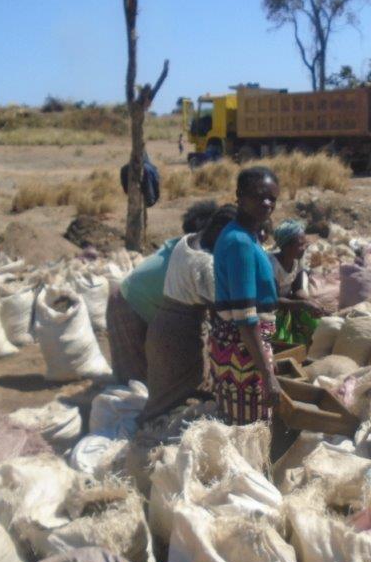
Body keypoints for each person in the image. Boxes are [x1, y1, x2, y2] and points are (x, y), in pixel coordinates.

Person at [140, 205, 236, 422]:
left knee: (164, 392)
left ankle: (152, 427)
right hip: (181, 335)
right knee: (175, 398)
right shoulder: (205, 264)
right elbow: (223, 311)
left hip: (162, 324)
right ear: (220, 230)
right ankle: (153, 435)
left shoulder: (188, 241)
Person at [105, 202, 218, 384]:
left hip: (148, 303)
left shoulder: (185, 246)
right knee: (134, 381)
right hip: (127, 304)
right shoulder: (193, 257)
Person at [209, 166, 281, 425]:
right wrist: (268, 376)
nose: (267, 203)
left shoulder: (244, 235)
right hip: (244, 353)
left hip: (239, 346)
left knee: (238, 427)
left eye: (272, 198)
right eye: (259, 196)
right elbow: (245, 318)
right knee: (249, 430)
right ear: (239, 195)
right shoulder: (240, 241)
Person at [269, 219, 324, 344]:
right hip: (270, 311)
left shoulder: (296, 260)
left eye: (305, 244)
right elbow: (274, 300)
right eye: (300, 245)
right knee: (278, 342)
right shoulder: (271, 265)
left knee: (316, 323)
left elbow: (298, 289)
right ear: (286, 246)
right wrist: (303, 304)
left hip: (288, 305)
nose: (304, 248)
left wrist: (310, 302)